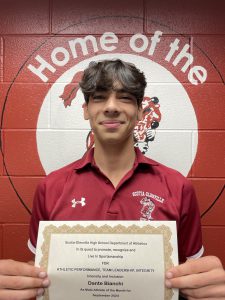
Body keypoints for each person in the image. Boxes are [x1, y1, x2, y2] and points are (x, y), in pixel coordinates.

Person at [0, 59, 225, 300]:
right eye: (99, 97)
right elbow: (41, 272)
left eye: (125, 97)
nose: (111, 107)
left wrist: (206, 288)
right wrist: (19, 283)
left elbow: (192, 274)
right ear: (85, 109)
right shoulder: (51, 187)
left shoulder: (178, 187)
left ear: (140, 110)